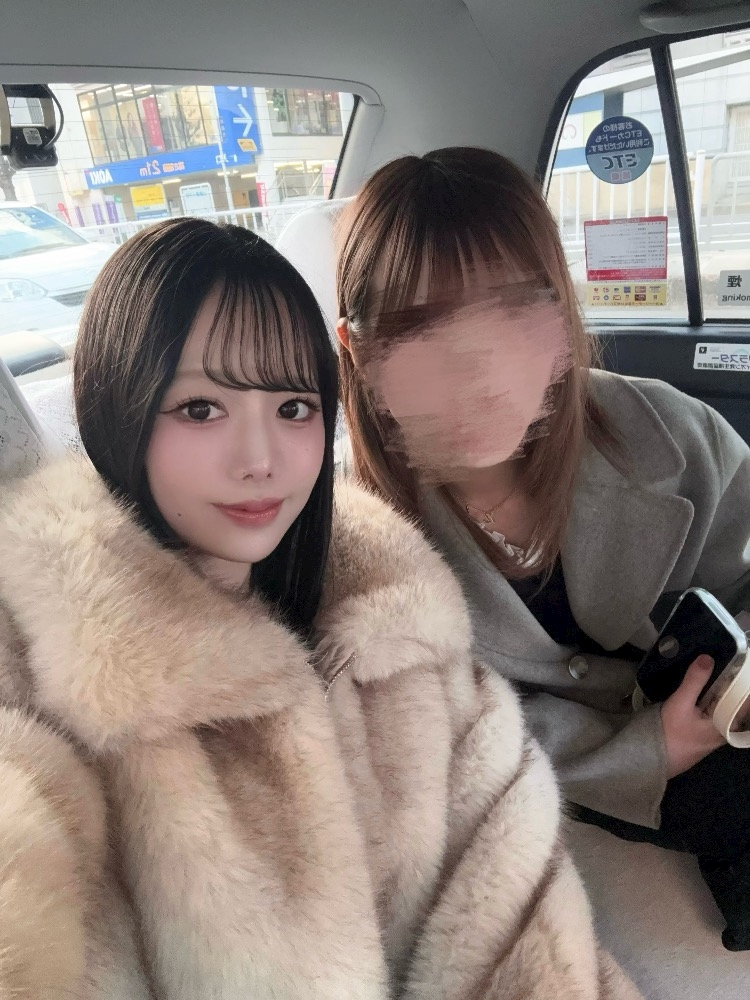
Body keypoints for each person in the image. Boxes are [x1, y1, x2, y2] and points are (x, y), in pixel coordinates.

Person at [0, 218, 638, 999]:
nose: (260, 459)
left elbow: (520, 908)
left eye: (294, 408)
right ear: (115, 406)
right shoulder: (38, 662)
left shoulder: (398, 627)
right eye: (200, 409)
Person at [335, 146, 750, 950]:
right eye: (420, 330)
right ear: (358, 348)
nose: (479, 368)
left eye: (512, 312)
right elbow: (432, 738)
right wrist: (642, 752)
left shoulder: (671, 433)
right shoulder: (356, 546)